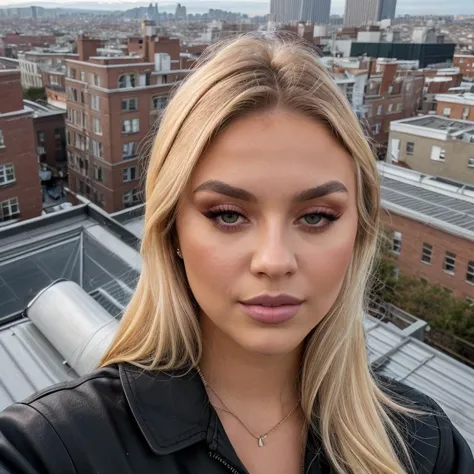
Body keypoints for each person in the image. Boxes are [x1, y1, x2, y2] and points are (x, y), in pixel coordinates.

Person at [0, 34, 472, 474]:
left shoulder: (424, 444)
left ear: (358, 234)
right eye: (228, 215)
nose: (273, 260)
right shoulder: (53, 449)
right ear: (172, 232)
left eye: (316, 217)